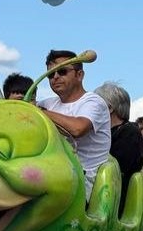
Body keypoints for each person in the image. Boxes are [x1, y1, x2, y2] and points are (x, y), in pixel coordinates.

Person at [37, 50, 111, 199]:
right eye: (50, 74)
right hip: (54, 174)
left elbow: (78, 128)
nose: (55, 77)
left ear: (79, 75)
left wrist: (42, 113)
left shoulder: (93, 102)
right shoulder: (46, 104)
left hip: (85, 180)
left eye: (62, 71)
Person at [93, 82, 143, 212]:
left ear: (109, 108)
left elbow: (118, 166)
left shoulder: (129, 132)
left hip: (114, 198)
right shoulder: (102, 132)